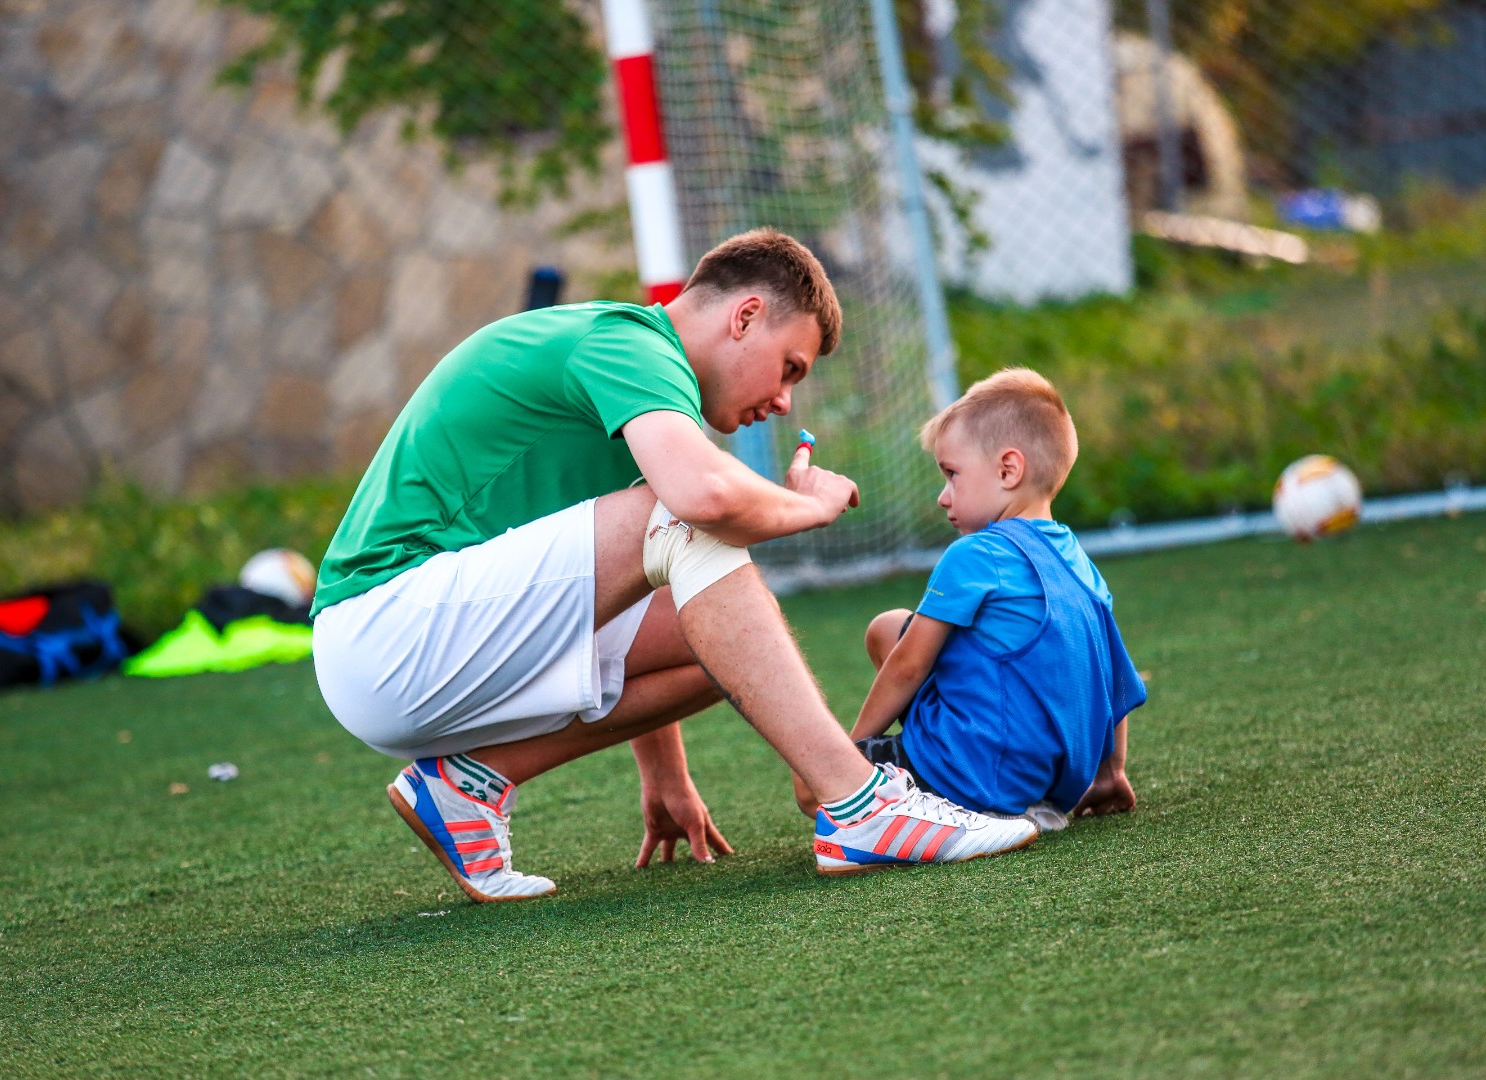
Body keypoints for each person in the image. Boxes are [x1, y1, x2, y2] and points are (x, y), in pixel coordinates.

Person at [311, 229, 1037, 903]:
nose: (784, 401)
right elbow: (698, 500)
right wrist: (808, 507)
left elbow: (654, 566)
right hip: (386, 631)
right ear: (746, 316)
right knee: (690, 516)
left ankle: (468, 785)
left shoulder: (639, 388)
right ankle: (859, 804)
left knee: (721, 633)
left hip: (420, 647)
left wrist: (667, 778)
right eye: (790, 369)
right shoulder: (626, 341)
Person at [794, 367, 1145, 832]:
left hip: (971, 778)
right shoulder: (1076, 559)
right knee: (888, 627)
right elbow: (1114, 681)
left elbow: (907, 667)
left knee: (809, 780)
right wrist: (1109, 774)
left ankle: (921, 799)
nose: (943, 497)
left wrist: (849, 757)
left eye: (952, 474)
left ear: (1008, 469)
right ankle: (1003, 790)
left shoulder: (976, 553)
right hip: (1048, 783)